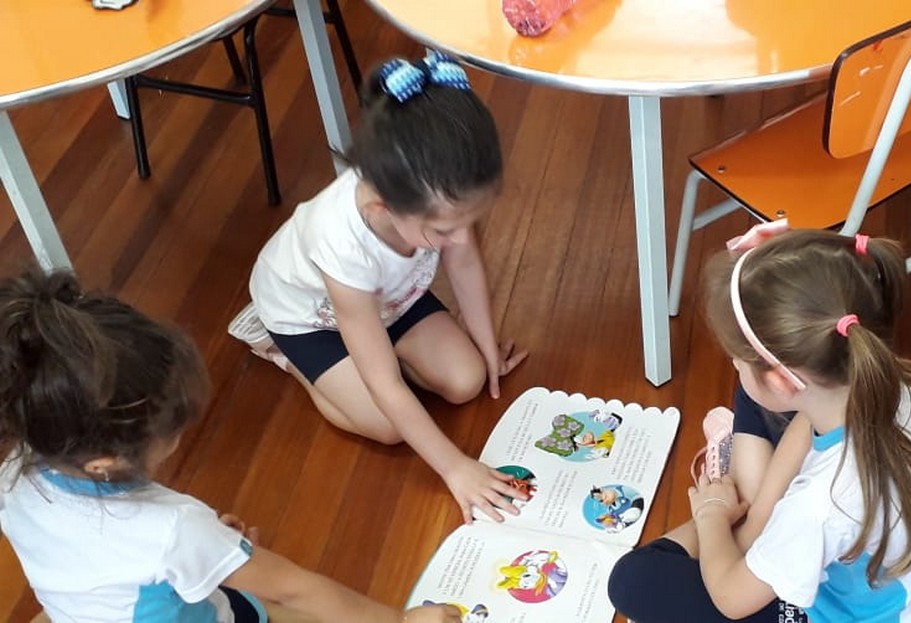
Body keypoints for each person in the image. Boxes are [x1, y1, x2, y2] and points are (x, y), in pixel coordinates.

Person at [0, 269, 462, 623]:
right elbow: (295, 589)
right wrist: (403, 619)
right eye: (172, 431)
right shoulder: (175, 529)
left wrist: (200, 551)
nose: (179, 436)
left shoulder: (15, 467)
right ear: (104, 462)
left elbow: (98, 555)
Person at [608, 226, 911, 622]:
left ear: (785, 380)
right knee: (753, 394)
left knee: (633, 579)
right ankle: (750, 526)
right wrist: (758, 523)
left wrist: (711, 516)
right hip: (876, 565)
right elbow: (805, 423)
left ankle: (734, 512)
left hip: (830, 609)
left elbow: (731, 598)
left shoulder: (819, 505)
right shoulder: (898, 381)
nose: (734, 365)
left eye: (736, 361)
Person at [228, 52, 527, 522]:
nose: (459, 238)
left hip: (391, 299)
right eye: (443, 230)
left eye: (467, 223)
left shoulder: (434, 195)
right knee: (388, 426)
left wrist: (486, 345)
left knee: (467, 380)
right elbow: (383, 381)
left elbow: (465, 261)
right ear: (382, 210)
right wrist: (454, 467)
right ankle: (285, 355)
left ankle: (384, 357)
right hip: (312, 319)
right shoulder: (341, 244)